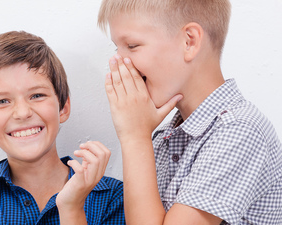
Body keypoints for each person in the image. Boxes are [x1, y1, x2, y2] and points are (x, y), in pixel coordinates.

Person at [97, 0, 282, 224]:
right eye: (117, 48)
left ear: (189, 41)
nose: (117, 61)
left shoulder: (240, 131)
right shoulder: (162, 138)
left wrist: (134, 137)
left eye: (133, 46)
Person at [0, 31, 125, 225]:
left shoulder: (114, 198)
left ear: (63, 108)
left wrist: (72, 208)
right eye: (2, 101)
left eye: (36, 96)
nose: (22, 112)